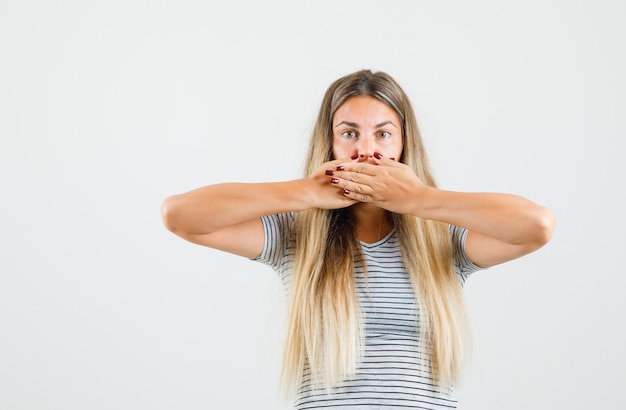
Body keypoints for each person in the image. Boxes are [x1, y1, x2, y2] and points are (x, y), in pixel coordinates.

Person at [160, 69, 556, 409]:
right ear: (330, 143)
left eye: (383, 134)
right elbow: (180, 216)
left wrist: (419, 199)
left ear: (403, 146)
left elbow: (537, 225)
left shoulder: (444, 240)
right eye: (349, 133)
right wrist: (306, 191)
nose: (366, 151)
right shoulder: (294, 235)